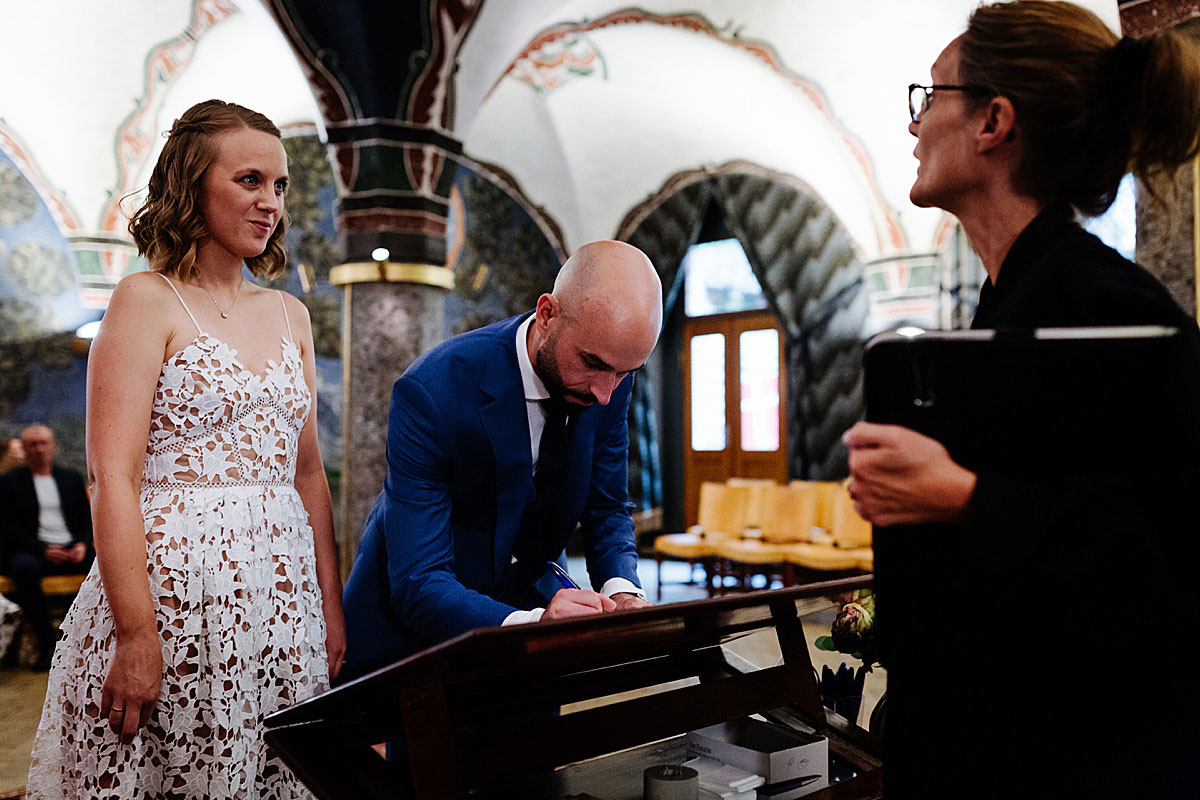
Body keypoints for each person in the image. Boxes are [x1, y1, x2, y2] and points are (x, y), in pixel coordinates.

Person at [843, 3, 1200, 797]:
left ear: (993, 122)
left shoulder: (1113, 310)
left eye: (928, 96)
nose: (912, 126)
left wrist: (959, 496)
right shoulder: (1012, 299)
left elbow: (1168, 567)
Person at [26, 100, 344, 799]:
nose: (270, 204)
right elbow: (113, 477)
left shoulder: (291, 314)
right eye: (251, 181)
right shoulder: (146, 300)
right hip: (172, 600)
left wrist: (328, 604)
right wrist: (138, 635)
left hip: (279, 604)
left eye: (281, 186)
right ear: (193, 184)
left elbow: (309, 472)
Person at [341, 240, 661, 679]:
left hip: (534, 603)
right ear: (547, 314)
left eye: (625, 373)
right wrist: (533, 624)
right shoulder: (433, 392)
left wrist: (623, 591)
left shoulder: (608, 373)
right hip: (424, 628)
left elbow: (606, 504)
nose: (605, 393)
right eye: (592, 363)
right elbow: (420, 581)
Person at [0, 425, 92, 670]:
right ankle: (48, 642)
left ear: (53, 446)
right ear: (24, 448)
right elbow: (8, 528)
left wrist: (83, 543)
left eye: (43, 443)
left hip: (73, 547)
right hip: (34, 552)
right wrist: (43, 549)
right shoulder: (10, 483)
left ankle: (78, 637)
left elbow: (87, 519)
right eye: (32, 444)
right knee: (23, 567)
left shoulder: (71, 479)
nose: (39, 449)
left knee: (106, 562)